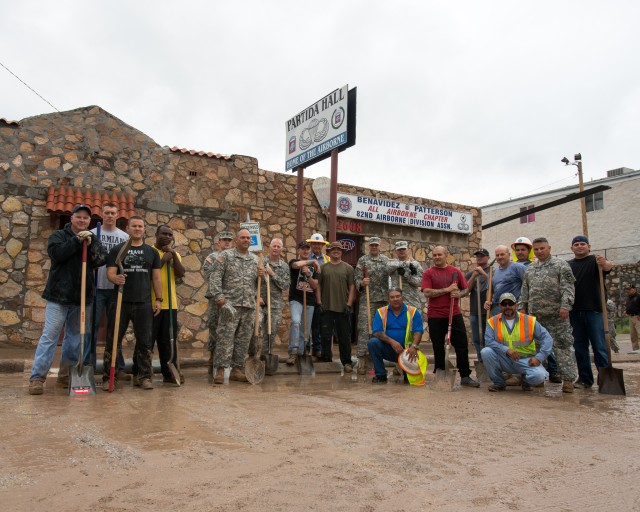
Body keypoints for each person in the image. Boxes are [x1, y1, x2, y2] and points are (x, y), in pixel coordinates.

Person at [28, 205, 107, 395]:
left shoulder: (92, 239)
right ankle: (37, 377)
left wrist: (91, 244)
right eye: (78, 217)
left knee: (74, 339)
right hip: (58, 296)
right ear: (71, 218)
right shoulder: (58, 236)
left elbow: (101, 259)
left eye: (85, 218)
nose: (82, 221)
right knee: (50, 336)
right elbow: (58, 254)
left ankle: (67, 376)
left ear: (89, 221)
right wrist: (76, 241)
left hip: (82, 298)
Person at [102, 215, 163, 391]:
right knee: (113, 340)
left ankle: (143, 376)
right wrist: (116, 279)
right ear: (128, 229)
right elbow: (110, 273)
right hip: (121, 301)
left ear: (144, 230)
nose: (137, 229)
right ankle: (109, 377)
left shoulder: (151, 252)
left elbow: (156, 277)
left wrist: (158, 299)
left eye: (140, 226)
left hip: (143, 302)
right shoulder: (118, 250)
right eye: (134, 226)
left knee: (144, 342)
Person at [520, 237, 577, 393]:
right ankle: (539, 378)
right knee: (537, 349)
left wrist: (566, 306)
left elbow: (568, 288)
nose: (539, 251)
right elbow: (525, 291)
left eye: (542, 248)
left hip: (557, 316)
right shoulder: (530, 268)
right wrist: (522, 309)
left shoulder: (561, 265)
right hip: (536, 316)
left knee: (562, 346)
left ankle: (568, 380)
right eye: (536, 249)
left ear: (549, 248)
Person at [209, 228, 264, 384]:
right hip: (229, 305)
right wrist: (219, 298)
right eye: (243, 237)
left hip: (248, 305)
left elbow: (261, 285)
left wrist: (263, 274)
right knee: (225, 338)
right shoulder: (225, 256)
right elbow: (215, 277)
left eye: (248, 238)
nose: (246, 240)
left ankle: (237, 369)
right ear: (237, 239)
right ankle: (220, 369)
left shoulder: (255, 260)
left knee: (243, 339)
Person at [421, 246, 480, 387]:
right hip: (435, 315)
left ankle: (465, 375)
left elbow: (465, 289)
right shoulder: (428, 273)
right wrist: (447, 290)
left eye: (439, 255)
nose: (436, 257)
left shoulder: (455, 272)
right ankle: (440, 372)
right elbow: (427, 292)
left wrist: (458, 294)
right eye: (434, 255)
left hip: (454, 314)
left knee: (461, 345)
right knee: (437, 346)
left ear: (446, 255)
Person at [85, 202, 129, 380]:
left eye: (113, 212)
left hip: (115, 289)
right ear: (101, 214)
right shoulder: (93, 234)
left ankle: (117, 366)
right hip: (96, 288)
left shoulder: (124, 237)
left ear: (117, 215)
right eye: (107, 213)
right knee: (91, 329)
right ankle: (89, 366)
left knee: (115, 329)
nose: (110, 215)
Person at [567, 235, 613, 389]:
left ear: (589, 247)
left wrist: (604, 263)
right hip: (575, 311)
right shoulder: (568, 265)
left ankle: (604, 378)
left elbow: (608, 267)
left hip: (594, 310)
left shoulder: (596, 261)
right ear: (572, 248)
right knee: (580, 347)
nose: (579, 246)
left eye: (583, 244)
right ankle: (585, 379)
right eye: (576, 244)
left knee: (599, 346)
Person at [482, 293, 552, 392]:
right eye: (504, 304)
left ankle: (526, 380)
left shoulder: (529, 320)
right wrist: (507, 350)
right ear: (499, 306)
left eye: (510, 303)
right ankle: (499, 383)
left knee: (539, 376)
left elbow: (547, 338)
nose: (507, 306)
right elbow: (489, 341)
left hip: (526, 360)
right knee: (486, 352)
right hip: (505, 360)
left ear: (516, 305)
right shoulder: (492, 321)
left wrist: (539, 357)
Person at [151, 225, 185, 384]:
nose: (167, 236)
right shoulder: (149, 252)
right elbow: (150, 273)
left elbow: (180, 273)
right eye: (164, 233)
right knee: (147, 341)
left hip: (170, 305)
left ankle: (169, 373)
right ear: (156, 235)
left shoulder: (174, 254)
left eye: (170, 234)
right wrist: (163, 260)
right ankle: (142, 372)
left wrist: (173, 256)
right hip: (152, 303)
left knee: (167, 341)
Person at [367, 288, 424, 384]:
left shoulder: (413, 312)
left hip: (407, 351)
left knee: (409, 381)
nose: (395, 299)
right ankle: (380, 375)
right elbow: (376, 332)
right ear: (388, 300)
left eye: (398, 296)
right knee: (372, 343)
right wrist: (392, 342)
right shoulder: (381, 312)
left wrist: (414, 346)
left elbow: (418, 331)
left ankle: (407, 373)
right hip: (388, 349)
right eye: (392, 297)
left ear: (402, 297)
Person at [317, 241, 355, 370]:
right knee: (325, 335)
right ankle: (326, 359)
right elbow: (318, 286)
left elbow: (352, 286)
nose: (336, 251)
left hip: (343, 308)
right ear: (329, 251)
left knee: (344, 337)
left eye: (338, 249)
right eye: (333, 249)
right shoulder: (323, 268)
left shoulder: (348, 268)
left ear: (341, 251)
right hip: (326, 307)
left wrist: (349, 304)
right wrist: (319, 302)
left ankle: (347, 362)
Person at [354, 237, 389, 374]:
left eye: (376, 245)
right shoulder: (363, 260)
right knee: (364, 327)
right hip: (368, 299)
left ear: (379, 246)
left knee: (380, 329)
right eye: (372, 245)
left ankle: (377, 358)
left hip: (383, 299)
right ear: (369, 246)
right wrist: (362, 283)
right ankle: (362, 358)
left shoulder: (386, 260)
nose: (374, 247)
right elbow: (356, 278)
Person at [203, 231, 234, 375]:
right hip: (215, 300)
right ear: (218, 243)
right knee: (214, 329)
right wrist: (219, 261)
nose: (227, 243)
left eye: (229, 240)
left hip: (231, 299)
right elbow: (208, 275)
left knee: (229, 331)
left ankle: (228, 363)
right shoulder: (212, 257)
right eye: (224, 240)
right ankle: (211, 359)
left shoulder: (235, 258)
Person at [287, 241, 320, 364]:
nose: (306, 251)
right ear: (298, 251)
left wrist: (308, 274)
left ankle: (301, 353)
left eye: (307, 249)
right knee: (296, 322)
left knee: (305, 329)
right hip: (296, 299)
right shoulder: (293, 262)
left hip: (309, 301)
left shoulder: (314, 268)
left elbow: (315, 285)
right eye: (303, 249)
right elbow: (296, 265)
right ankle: (293, 351)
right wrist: (312, 261)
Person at [257, 238, 291, 357]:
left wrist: (272, 274)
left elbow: (285, 285)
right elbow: (252, 281)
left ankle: (265, 357)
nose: (276, 248)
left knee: (271, 333)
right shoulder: (260, 261)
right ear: (270, 247)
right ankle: (252, 355)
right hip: (259, 303)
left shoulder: (284, 266)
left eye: (278, 246)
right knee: (254, 328)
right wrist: (257, 296)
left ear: (281, 249)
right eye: (274, 246)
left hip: (275, 305)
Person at [461, 248, 490, 363]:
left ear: (488, 257)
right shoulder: (470, 273)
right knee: (477, 339)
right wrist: (473, 276)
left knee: (488, 338)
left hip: (488, 310)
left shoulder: (493, 271)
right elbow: (465, 291)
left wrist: (483, 274)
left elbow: (494, 284)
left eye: (482, 256)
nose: (479, 258)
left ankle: (490, 359)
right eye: (477, 256)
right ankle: (480, 359)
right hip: (475, 310)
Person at [485, 245, 526, 316]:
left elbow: (527, 286)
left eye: (502, 254)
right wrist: (487, 301)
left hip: (512, 309)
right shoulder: (493, 272)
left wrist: (523, 306)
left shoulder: (518, 268)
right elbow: (489, 291)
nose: (500, 257)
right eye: (497, 255)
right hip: (496, 310)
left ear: (509, 254)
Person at [307, 233, 330, 358]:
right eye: (314, 243)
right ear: (311, 244)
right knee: (306, 323)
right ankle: (305, 349)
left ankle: (317, 349)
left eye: (319, 244)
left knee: (318, 324)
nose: (316, 245)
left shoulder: (327, 260)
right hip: (307, 294)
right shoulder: (305, 257)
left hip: (321, 296)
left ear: (322, 245)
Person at [387, 241, 423, 310]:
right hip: (396, 300)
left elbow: (420, 282)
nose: (401, 251)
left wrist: (406, 275)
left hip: (412, 300)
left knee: (412, 320)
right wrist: (408, 264)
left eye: (403, 249)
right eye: (399, 249)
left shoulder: (416, 264)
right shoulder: (392, 263)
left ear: (407, 250)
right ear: (396, 251)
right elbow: (388, 268)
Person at [625, 283, 640, 354]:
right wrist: (627, 311)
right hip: (631, 317)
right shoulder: (629, 298)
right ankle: (635, 350)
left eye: (630, 289)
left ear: (634, 289)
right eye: (627, 290)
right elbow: (629, 306)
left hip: (637, 317)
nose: (628, 291)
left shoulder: (638, 296)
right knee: (633, 335)